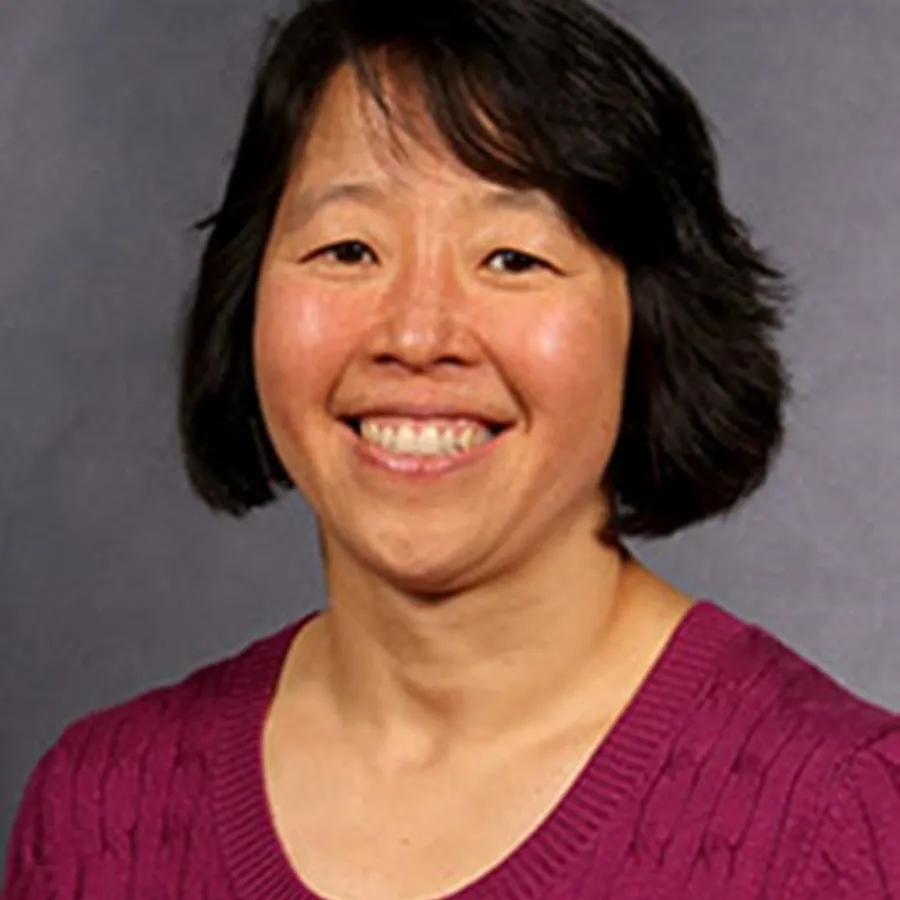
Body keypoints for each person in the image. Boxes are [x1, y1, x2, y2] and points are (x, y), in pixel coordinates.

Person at [5, 0, 899, 897]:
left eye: (512, 259)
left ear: (653, 328)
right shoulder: (100, 817)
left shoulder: (842, 818)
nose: (416, 334)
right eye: (348, 249)